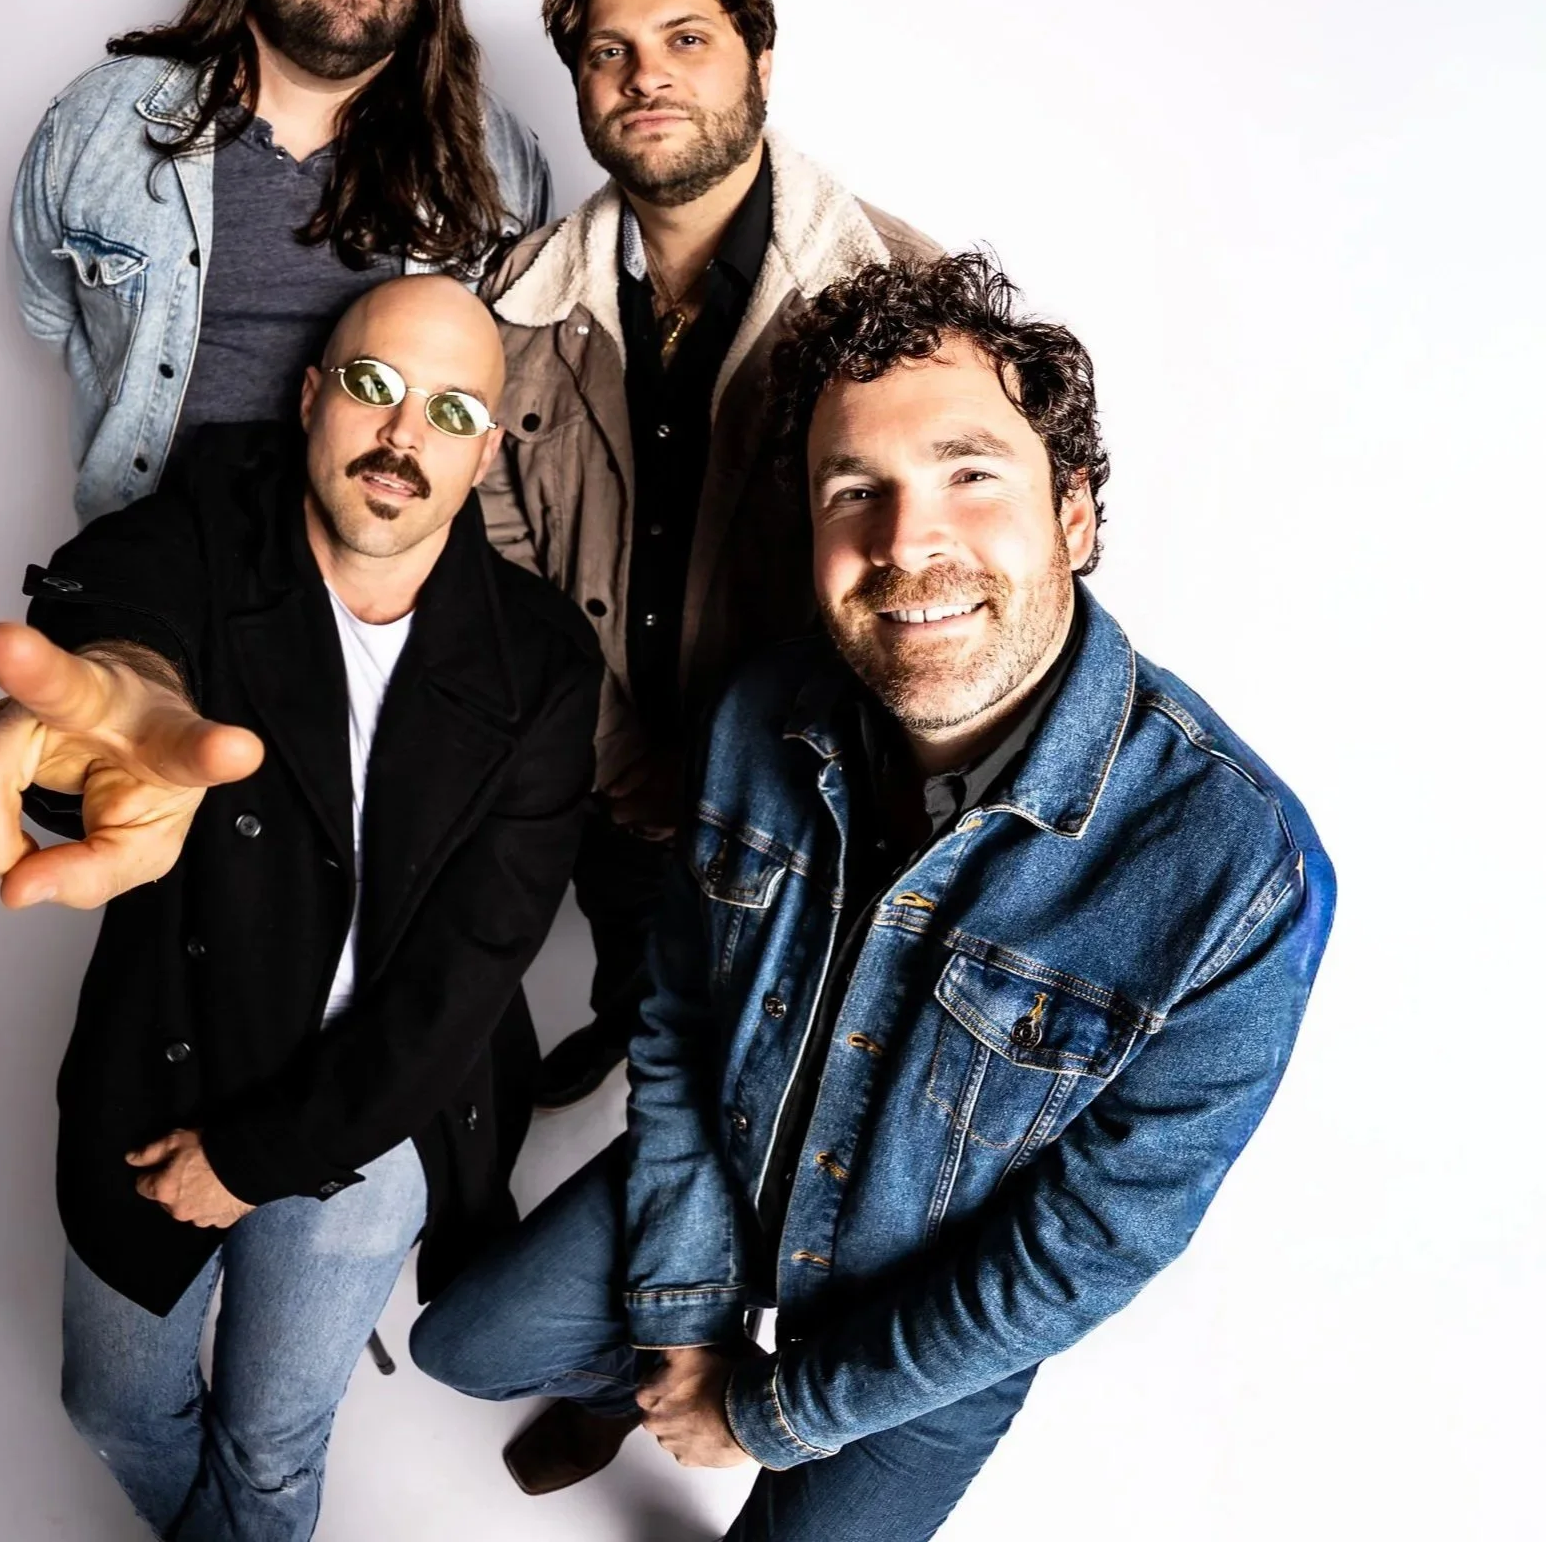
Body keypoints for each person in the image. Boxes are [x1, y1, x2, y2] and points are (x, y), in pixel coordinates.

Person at [413, 253, 1334, 1541]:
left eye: (970, 474)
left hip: (931, 1306)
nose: (906, 541)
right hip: (730, 1172)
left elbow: (1085, 1244)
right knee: (464, 1343)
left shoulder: (1236, 868)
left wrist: (768, 1413)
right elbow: (678, 1017)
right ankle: (631, 1389)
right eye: (855, 490)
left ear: (1073, 514)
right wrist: (683, 1321)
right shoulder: (756, 711)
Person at [0, 275, 600, 1540]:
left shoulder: (543, 659)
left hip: (381, 1105)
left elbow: (470, 969)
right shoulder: (200, 531)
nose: (402, 434)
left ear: (483, 454)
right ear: (310, 398)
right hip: (169, 1058)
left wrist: (255, 1161)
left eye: (450, 411)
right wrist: (122, 687)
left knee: (267, 1445)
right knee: (112, 1406)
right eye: (373, 386)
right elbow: (117, 617)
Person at [480, 0, 937, 1107]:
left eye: (685, 38)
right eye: (609, 51)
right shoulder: (518, 300)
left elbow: (925, 570)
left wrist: (734, 767)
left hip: (806, 803)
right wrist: (618, 755)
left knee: (772, 1092)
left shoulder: (899, 291)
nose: (646, 75)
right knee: (650, 1012)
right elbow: (497, 551)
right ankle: (625, 1017)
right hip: (601, 785)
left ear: (759, 63)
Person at [11, 0, 551, 524]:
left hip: (384, 572)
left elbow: (505, 377)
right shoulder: (102, 123)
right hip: (151, 550)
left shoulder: (493, 154)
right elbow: (51, 316)